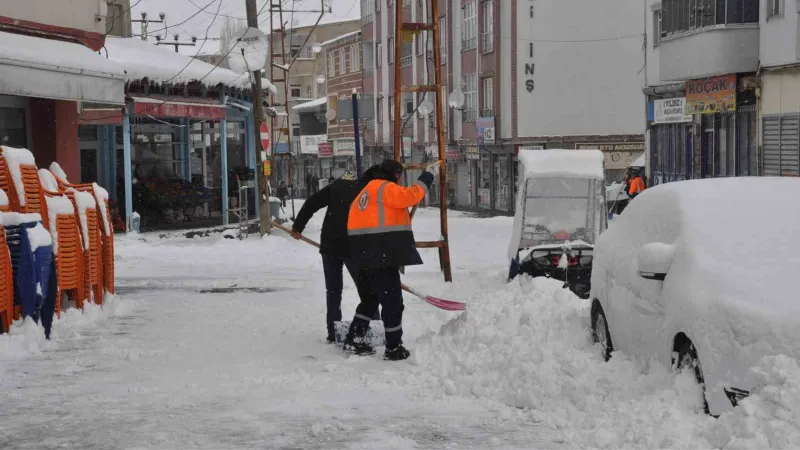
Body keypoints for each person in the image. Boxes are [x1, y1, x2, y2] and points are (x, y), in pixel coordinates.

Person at [344, 159, 435, 361]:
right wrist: (427, 176)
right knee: (393, 303)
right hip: (381, 256)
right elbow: (410, 196)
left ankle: (354, 338)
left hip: (362, 256)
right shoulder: (385, 188)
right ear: (395, 175)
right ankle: (393, 347)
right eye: (400, 176)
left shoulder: (365, 191)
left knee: (369, 300)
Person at [291, 166, 383, 343]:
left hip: (331, 244)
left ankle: (333, 333)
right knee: (368, 292)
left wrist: (297, 227)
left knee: (334, 291)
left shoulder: (338, 185)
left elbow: (312, 202)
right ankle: (375, 326)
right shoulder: (371, 191)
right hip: (352, 247)